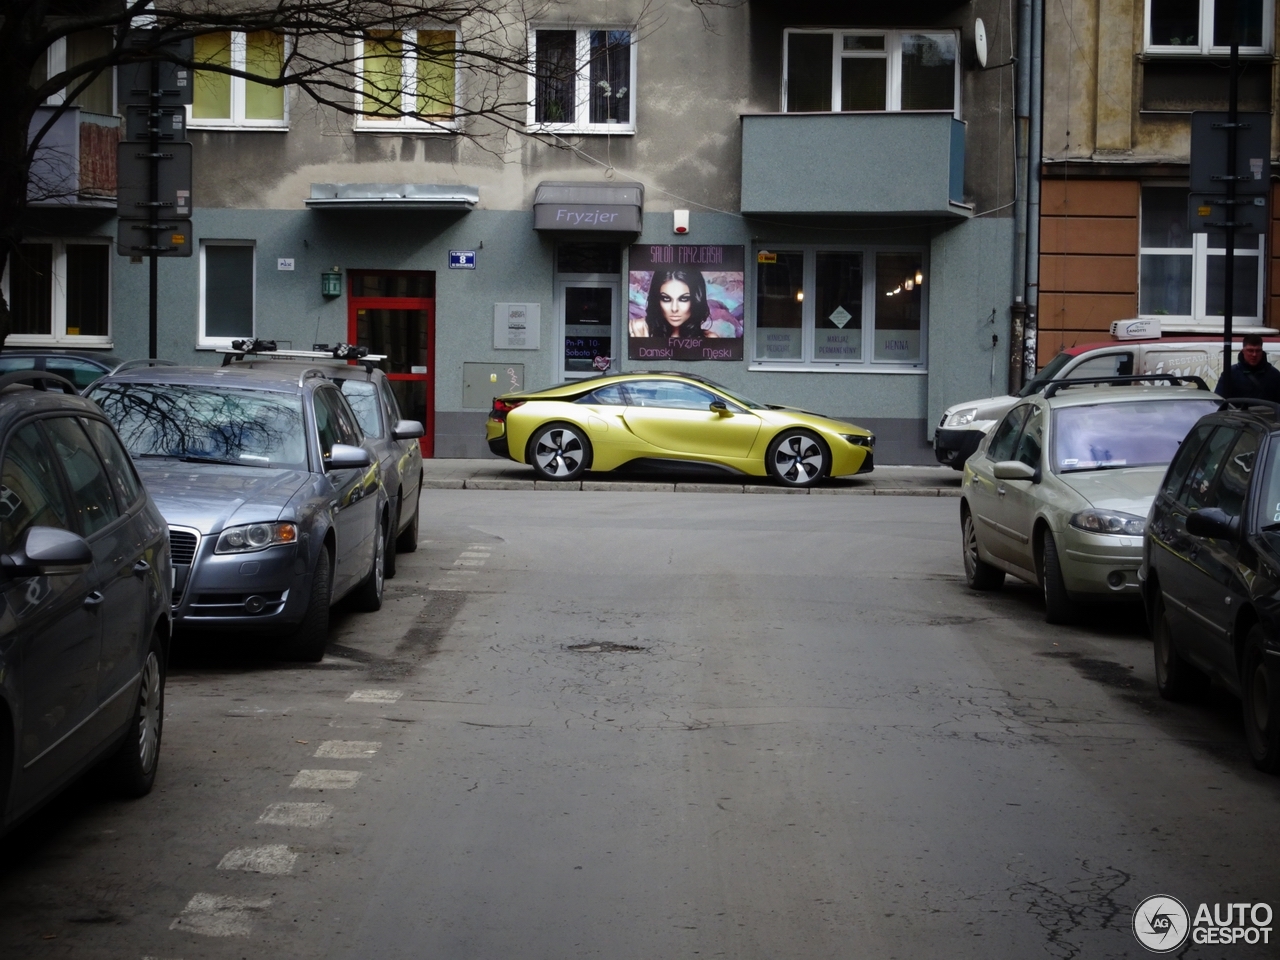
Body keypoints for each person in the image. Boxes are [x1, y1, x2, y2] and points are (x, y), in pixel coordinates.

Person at [629, 269, 718, 339]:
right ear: (657, 300)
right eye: (666, 299)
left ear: (696, 300)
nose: (674, 308)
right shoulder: (639, 329)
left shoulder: (710, 339)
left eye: (683, 299)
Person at [1214, 334, 1280, 402]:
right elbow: (1218, 401)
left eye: (1258, 351)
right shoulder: (1230, 374)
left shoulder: (1274, 375)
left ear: (1262, 351)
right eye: (1250, 350)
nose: (1254, 355)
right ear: (1243, 351)